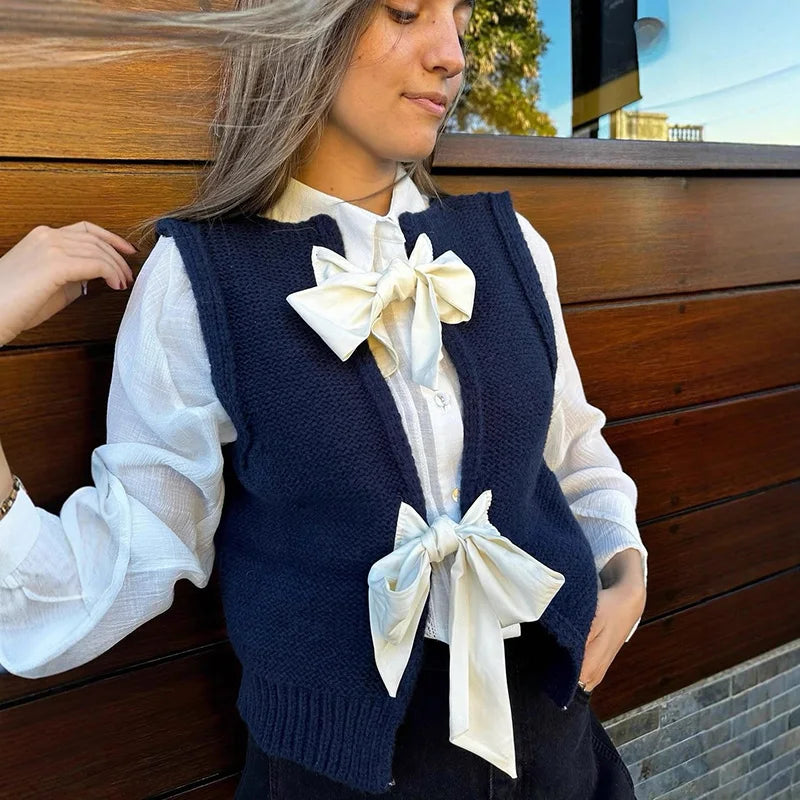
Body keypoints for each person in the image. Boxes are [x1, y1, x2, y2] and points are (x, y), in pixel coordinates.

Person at [0, 0, 648, 796]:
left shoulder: (514, 251)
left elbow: (573, 448)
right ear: (307, 23)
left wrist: (624, 559)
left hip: (558, 756)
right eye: (407, 10)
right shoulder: (198, 283)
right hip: (339, 775)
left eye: (462, 17)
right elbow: (112, 566)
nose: (450, 53)